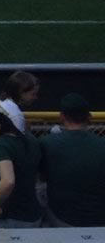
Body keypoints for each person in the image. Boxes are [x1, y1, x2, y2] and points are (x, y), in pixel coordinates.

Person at [39, 93, 105, 226]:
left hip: (61, 217)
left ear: (62, 116)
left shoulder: (46, 143)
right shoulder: (102, 144)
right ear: (89, 117)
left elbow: (40, 176)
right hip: (99, 218)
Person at [0, 101, 42, 228]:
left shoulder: (0, 145)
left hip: (12, 218)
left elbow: (8, 181)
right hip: (34, 214)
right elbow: (22, 165)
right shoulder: (31, 141)